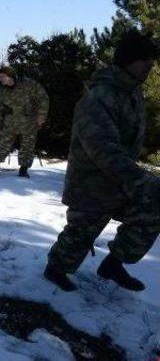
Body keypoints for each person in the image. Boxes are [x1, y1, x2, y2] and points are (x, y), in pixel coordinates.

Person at [45, 30, 160, 292]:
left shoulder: (132, 93)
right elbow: (104, 150)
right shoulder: (99, 97)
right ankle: (55, 269)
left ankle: (114, 263)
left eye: (151, 60)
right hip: (91, 185)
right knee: (79, 235)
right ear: (127, 61)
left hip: (119, 181)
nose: (150, 65)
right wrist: (143, 180)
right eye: (144, 59)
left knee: (152, 208)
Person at [0, 66, 49, 178]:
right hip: (10, 123)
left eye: (2, 76)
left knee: (28, 146)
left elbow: (43, 98)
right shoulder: (1, 92)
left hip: (30, 122)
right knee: (2, 144)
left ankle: (23, 169)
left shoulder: (29, 85)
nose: (0, 79)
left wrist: (41, 117)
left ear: (10, 76)